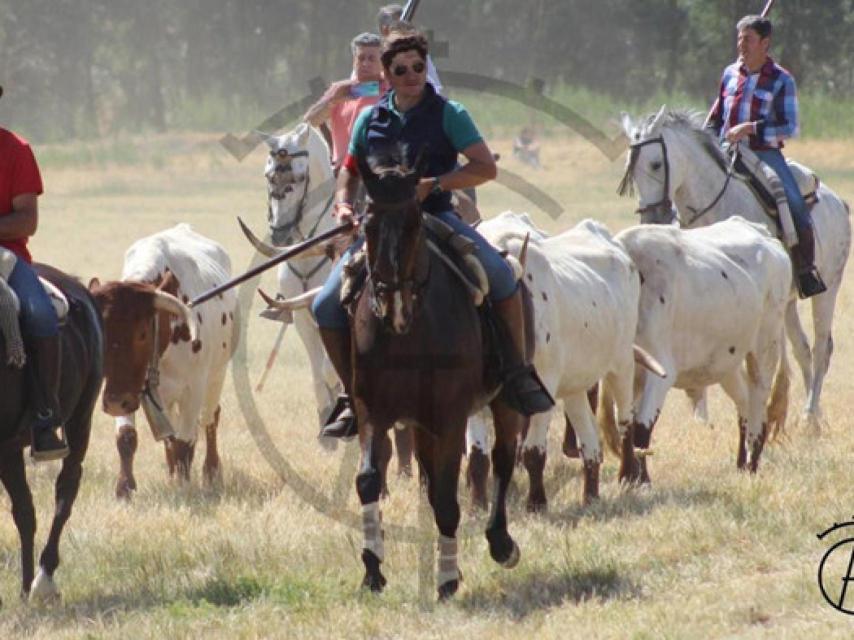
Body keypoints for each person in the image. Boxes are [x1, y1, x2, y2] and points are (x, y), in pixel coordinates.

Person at [311, 31, 553, 439]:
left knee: (501, 276)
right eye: (401, 69)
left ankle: (515, 375)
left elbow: (484, 168)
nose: (411, 76)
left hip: (438, 217)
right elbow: (349, 170)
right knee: (323, 306)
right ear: (387, 74)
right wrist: (345, 206)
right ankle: (355, 397)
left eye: (418, 68)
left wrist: (436, 183)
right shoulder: (371, 118)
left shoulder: (449, 113)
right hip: (382, 225)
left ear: (426, 69)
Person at [707, 15, 826, 298]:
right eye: (739, 39)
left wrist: (751, 128)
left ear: (765, 43)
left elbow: (790, 127)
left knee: (794, 202)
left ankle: (805, 270)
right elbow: (715, 119)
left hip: (763, 153)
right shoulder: (730, 74)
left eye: (747, 39)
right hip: (726, 150)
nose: (741, 46)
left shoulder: (782, 80)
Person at [0, 85, 68, 460]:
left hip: (7, 257)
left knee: (41, 312)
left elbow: (27, 219)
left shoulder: (17, 151)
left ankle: (45, 415)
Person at [304, 33, 389, 172]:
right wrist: (332, 102)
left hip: (380, 174)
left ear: (382, 62)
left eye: (371, 58)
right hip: (343, 172)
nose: (365, 63)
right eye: (361, 58)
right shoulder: (340, 89)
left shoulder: (393, 90)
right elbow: (310, 123)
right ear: (353, 61)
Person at [376, 4, 443, 95]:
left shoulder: (418, 55)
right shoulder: (370, 55)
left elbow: (435, 88)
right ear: (384, 29)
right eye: (397, 26)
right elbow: (359, 89)